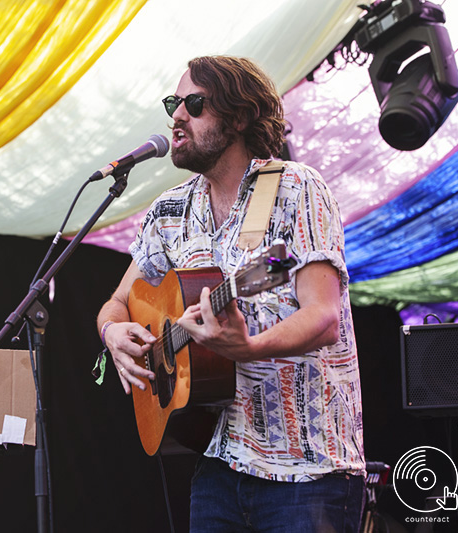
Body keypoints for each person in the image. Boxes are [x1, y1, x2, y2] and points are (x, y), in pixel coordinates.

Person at [96, 56, 365, 532]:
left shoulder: (292, 187)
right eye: (174, 103)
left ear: (238, 118)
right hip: (217, 463)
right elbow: (116, 303)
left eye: (194, 104)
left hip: (305, 472)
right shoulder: (169, 210)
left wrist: (251, 347)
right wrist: (113, 332)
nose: (178, 115)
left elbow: (325, 316)